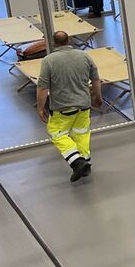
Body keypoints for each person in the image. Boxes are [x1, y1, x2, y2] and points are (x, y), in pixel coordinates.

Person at [36, 31, 103, 182]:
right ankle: (85, 164)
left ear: (54, 43)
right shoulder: (84, 56)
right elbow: (95, 79)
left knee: (57, 134)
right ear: (69, 41)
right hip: (84, 106)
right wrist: (98, 98)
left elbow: (42, 88)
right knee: (81, 134)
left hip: (62, 108)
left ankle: (77, 162)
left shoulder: (49, 61)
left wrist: (40, 107)